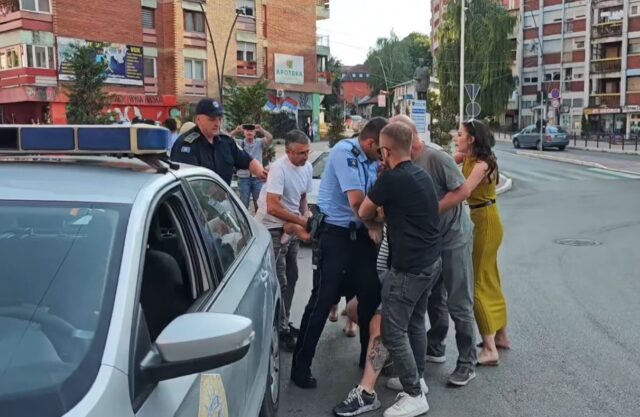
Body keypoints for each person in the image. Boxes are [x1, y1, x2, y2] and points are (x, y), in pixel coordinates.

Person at [291, 117, 388, 389]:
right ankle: (300, 367)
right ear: (370, 142)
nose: (383, 155)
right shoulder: (346, 153)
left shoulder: (371, 160)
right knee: (322, 301)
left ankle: (366, 361)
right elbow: (358, 203)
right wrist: (376, 222)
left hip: (362, 239)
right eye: (381, 149)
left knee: (370, 299)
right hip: (336, 236)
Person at [359, 123, 441, 417]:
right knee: (416, 322)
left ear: (386, 150)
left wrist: (380, 214)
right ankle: (417, 378)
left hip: (408, 269)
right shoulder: (421, 174)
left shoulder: (392, 179)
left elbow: (363, 211)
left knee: (393, 331)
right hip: (430, 262)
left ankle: (414, 394)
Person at [390, 115, 477, 387]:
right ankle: (436, 346)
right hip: (430, 241)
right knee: (434, 296)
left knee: (459, 301)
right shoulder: (403, 160)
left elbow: (462, 191)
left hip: (454, 237)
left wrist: (429, 211)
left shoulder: (435, 157)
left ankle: (467, 362)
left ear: (409, 137)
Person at [454, 119, 510, 366]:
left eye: (460, 134)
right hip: (483, 218)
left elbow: (463, 192)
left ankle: (489, 349)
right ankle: (501, 335)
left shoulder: (481, 165)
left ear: (472, 139)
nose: (456, 137)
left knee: (475, 282)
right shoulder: (468, 157)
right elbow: (443, 161)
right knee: (491, 277)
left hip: (486, 222)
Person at [255, 130, 312, 352]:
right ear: (288, 152)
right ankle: (279, 329)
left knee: (293, 274)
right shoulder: (279, 169)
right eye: (300, 153)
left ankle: (284, 321)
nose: (305, 157)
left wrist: (305, 214)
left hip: (292, 224)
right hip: (271, 227)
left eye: (307, 152)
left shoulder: (306, 167)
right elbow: (272, 206)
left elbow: (303, 196)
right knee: (280, 280)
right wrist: (300, 221)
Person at [170, 98, 267, 185]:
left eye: (220, 119)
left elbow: (248, 161)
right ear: (198, 119)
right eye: (212, 119)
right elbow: (188, 182)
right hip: (197, 198)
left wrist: (262, 173)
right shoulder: (186, 145)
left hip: (223, 198)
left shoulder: (226, 142)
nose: (217, 123)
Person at [229, 123, 273, 211]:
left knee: (259, 204)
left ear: (255, 133)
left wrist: (261, 130)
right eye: (247, 130)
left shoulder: (259, 142)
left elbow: (270, 138)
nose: (249, 132)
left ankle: (258, 219)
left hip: (257, 177)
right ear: (244, 133)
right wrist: (236, 131)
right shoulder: (239, 143)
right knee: (243, 203)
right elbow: (227, 139)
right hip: (243, 178)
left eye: (251, 130)